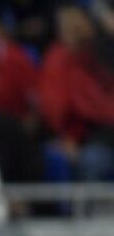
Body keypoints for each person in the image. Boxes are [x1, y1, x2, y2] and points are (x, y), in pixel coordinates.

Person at [39, 5, 114, 181]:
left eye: (77, 22)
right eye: (66, 24)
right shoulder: (57, 58)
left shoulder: (102, 51)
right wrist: (69, 137)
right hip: (86, 137)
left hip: (106, 130)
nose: (73, 29)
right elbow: (56, 108)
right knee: (93, 160)